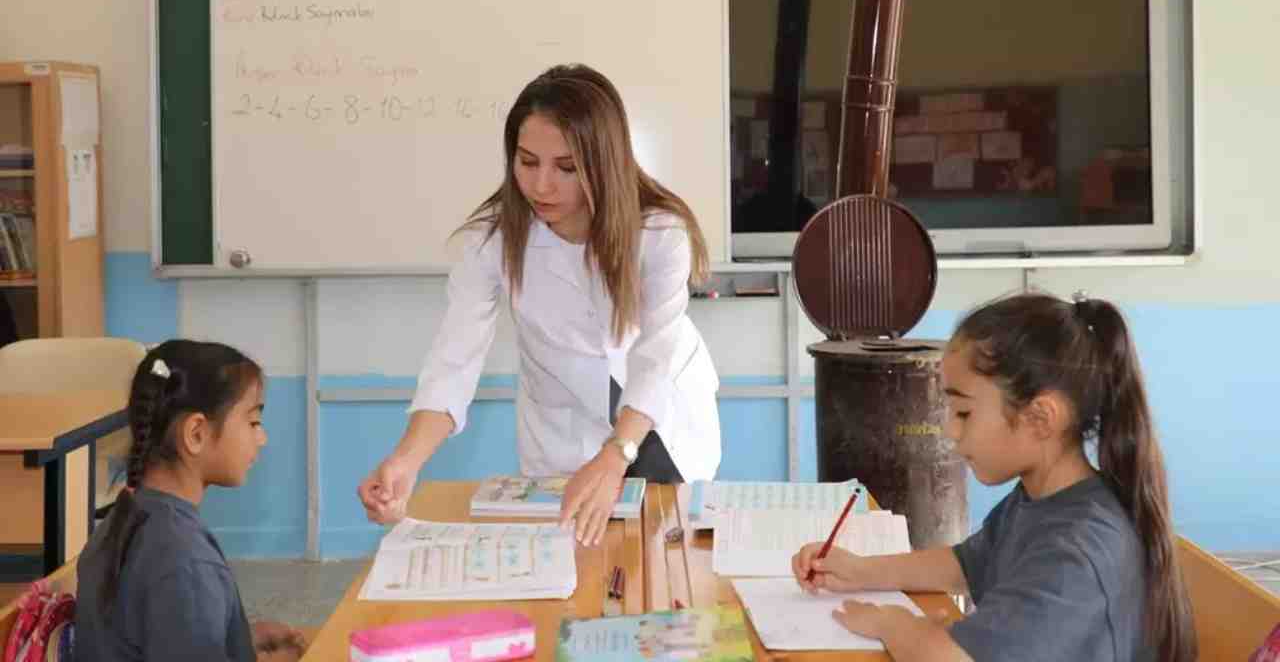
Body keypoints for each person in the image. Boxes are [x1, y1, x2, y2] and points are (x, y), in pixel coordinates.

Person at [358, 64, 721, 546]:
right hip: (563, 429)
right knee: (573, 566)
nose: (542, 185)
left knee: (663, 561)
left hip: (657, 423)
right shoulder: (488, 242)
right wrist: (406, 460)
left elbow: (656, 355)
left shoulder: (658, 234)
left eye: (566, 168)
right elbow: (454, 360)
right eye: (527, 162)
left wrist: (617, 451)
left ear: (602, 163)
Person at [791, 292, 1196, 662]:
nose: (950, 431)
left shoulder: (1076, 549)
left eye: (964, 413)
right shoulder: (1042, 498)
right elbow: (966, 565)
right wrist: (861, 571)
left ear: (1039, 418)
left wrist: (892, 624)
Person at [74, 340, 307, 662]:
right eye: (253, 422)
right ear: (196, 433)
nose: (262, 438)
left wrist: (238, 637)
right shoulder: (185, 563)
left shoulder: (126, 515)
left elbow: (146, 635)